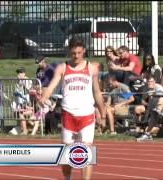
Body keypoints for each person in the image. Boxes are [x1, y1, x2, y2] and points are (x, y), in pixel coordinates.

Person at [39, 37, 106, 180]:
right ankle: (67, 178)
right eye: (73, 53)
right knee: (67, 153)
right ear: (69, 51)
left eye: (79, 52)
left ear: (84, 52)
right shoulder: (63, 68)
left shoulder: (91, 68)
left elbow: (97, 92)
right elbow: (51, 86)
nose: (76, 56)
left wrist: (103, 114)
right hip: (68, 115)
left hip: (86, 114)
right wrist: (44, 97)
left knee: (85, 151)